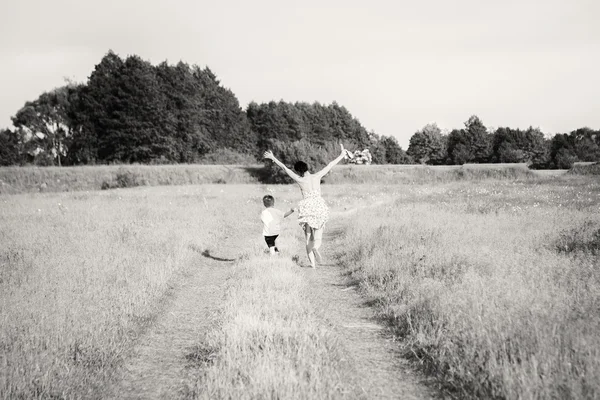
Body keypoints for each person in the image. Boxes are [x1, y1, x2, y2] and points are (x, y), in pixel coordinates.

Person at [263, 144, 347, 268]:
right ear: (307, 168)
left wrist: (273, 158)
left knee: (308, 237)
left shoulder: (300, 179)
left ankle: (312, 264)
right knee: (319, 233)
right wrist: (341, 155)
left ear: (298, 171)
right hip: (319, 206)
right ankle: (316, 247)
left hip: (307, 208)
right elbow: (330, 165)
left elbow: (285, 168)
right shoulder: (317, 176)